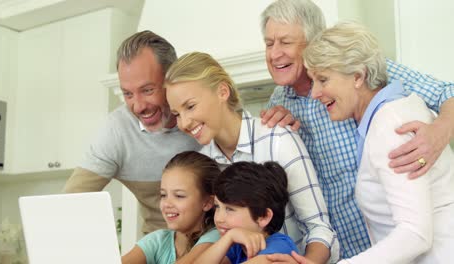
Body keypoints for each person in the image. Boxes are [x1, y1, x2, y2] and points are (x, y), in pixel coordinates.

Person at [260, 0, 454, 259]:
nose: (274, 54)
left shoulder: (367, 78)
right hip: (350, 249)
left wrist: (440, 131)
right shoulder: (278, 104)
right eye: (269, 43)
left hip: (397, 247)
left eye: (285, 42)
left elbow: (447, 93)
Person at [165, 52, 339, 264]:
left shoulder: (277, 138)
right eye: (176, 114)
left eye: (190, 106)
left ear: (222, 91)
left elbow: (318, 227)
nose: (184, 122)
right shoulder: (204, 164)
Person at [63, 31, 201, 234]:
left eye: (147, 90)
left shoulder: (206, 115)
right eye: (127, 94)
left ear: (173, 78)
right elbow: (68, 204)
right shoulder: (116, 132)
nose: (138, 107)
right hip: (159, 248)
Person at [121, 151, 221, 263]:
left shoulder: (217, 236)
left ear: (207, 202)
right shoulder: (157, 240)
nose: (167, 204)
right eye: (163, 195)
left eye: (179, 196)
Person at [194, 161, 299, 264]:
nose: (218, 219)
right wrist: (228, 238)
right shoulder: (237, 246)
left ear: (263, 216)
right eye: (217, 206)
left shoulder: (279, 247)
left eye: (230, 209)